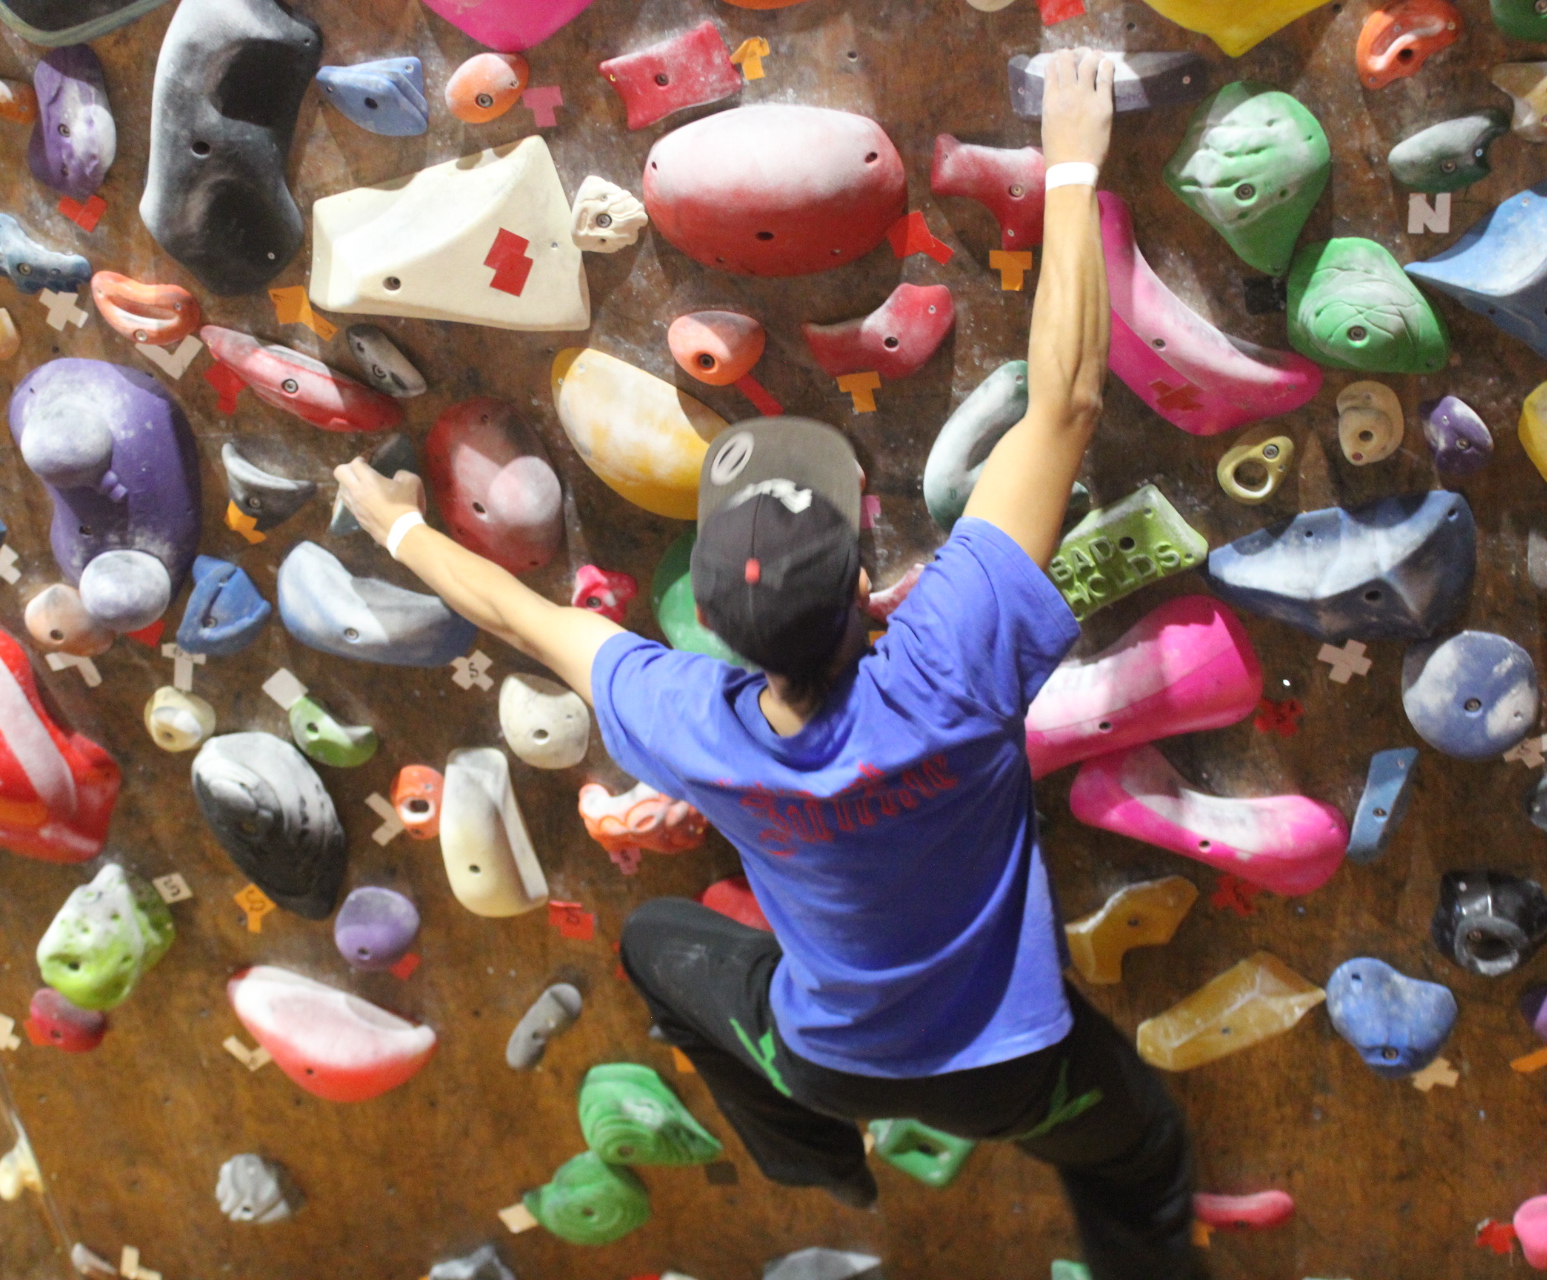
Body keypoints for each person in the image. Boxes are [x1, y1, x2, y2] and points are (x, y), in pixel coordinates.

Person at [334, 49, 1202, 1280]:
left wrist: (397, 528)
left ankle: (812, 1154)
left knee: (658, 945)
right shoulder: (949, 658)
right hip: (1012, 1072)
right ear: (863, 587)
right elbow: (1062, 401)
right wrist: (1072, 163)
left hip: (830, 1060)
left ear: (712, 624)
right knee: (1141, 1155)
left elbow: (528, 621)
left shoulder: (689, 717)